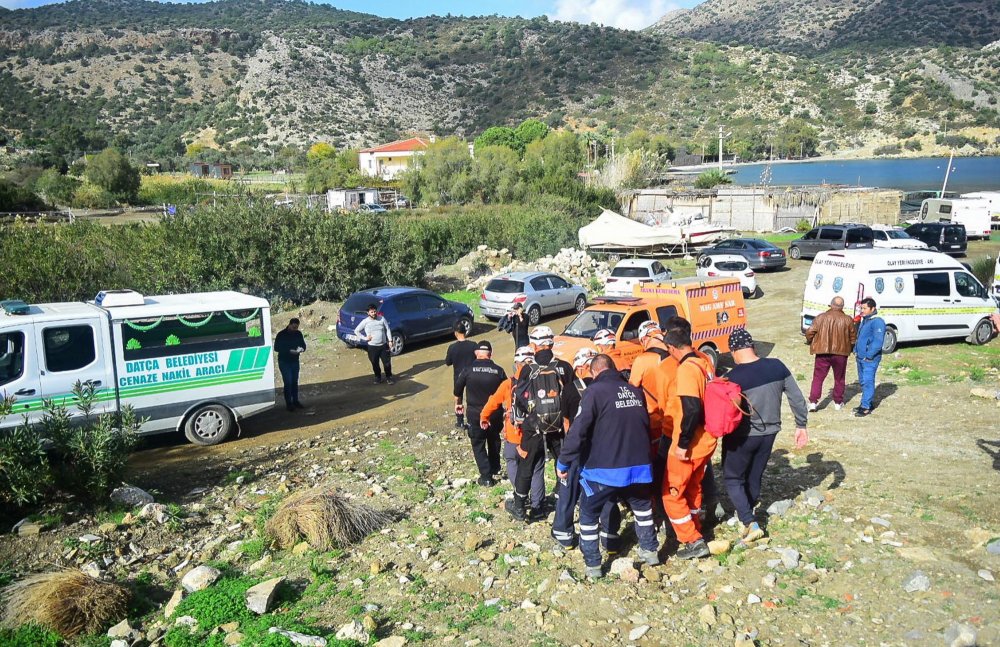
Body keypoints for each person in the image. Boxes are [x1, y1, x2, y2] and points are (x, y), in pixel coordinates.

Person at [557, 354, 660, 578]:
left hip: (603, 469)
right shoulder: (634, 391)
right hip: (639, 466)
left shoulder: (594, 392)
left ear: (594, 372)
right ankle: (650, 551)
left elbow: (578, 430)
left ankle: (593, 565)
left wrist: (564, 460)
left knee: (588, 513)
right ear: (613, 368)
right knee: (642, 508)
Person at [722, 328, 809, 544]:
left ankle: (749, 521)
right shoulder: (777, 366)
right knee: (754, 475)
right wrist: (801, 425)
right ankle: (748, 511)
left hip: (742, 436)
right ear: (752, 346)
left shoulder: (732, 377)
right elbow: (796, 397)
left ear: (733, 350)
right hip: (770, 433)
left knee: (733, 477)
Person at [661, 327, 715, 559]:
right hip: (707, 440)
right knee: (693, 488)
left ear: (672, 348)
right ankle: (695, 527)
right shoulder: (704, 363)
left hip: (690, 445)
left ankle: (692, 540)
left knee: (671, 494)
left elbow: (691, 409)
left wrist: (682, 443)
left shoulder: (686, 370)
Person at [481, 346, 545, 515]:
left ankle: (520, 498)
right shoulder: (542, 381)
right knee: (537, 469)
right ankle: (538, 506)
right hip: (536, 435)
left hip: (515, 434)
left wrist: (483, 417)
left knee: (512, 461)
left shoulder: (508, 384)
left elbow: (493, 402)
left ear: (517, 364)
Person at [455, 340, 507, 486]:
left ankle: (486, 476)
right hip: (494, 413)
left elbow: (457, 391)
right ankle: (495, 467)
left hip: (475, 414)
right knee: (494, 439)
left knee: (478, 444)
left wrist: (458, 405)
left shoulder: (467, 370)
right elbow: (508, 391)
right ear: (490, 354)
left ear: (476, 353)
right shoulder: (499, 371)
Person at [805, 296, 857, 411]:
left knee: (818, 378)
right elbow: (853, 338)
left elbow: (810, 332)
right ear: (842, 307)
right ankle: (838, 403)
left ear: (831, 305)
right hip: (841, 353)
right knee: (839, 378)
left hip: (822, 352)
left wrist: (810, 341)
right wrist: (850, 348)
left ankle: (813, 402)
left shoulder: (821, 317)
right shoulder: (848, 319)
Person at [853, 297, 886, 417]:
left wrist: (869, 355)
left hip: (869, 359)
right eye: (861, 308)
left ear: (873, 308)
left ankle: (865, 407)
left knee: (867, 381)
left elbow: (878, 342)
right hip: (860, 357)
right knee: (862, 381)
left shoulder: (877, 322)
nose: (862, 310)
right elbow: (859, 337)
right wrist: (855, 350)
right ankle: (866, 402)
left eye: (864, 308)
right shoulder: (864, 320)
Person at [445, 322, 478, 429]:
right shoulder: (473, 345)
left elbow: (448, 362)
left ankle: (459, 421)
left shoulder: (452, 347)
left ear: (455, 333)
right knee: (472, 399)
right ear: (465, 331)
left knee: (458, 399)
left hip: (458, 377)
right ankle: (472, 421)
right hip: (472, 376)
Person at [355, 304, 394, 385]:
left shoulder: (382, 319)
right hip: (372, 347)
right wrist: (365, 338)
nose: (374, 313)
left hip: (383, 346)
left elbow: (387, 329)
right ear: (368, 313)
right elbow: (356, 331)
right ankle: (378, 377)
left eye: (375, 311)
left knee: (387, 363)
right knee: (374, 363)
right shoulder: (365, 322)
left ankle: (389, 377)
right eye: (372, 312)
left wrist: (390, 340)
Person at [274, 318, 306, 412]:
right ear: (290, 324)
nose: (295, 329)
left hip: (295, 361)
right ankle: (289, 403)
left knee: (295, 382)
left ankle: (295, 401)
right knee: (288, 383)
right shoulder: (281, 334)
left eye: (296, 327)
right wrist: (289, 351)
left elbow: (303, 346)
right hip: (284, 361)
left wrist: (301, 349)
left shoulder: (298, 334)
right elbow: (276, 347)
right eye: (294, 327)